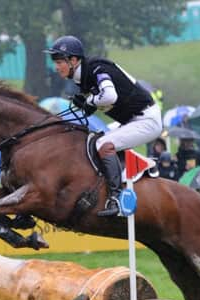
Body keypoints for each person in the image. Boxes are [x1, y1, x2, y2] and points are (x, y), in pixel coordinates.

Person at [45, 35, 162, 216]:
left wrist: (89, 100)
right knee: (92, 141)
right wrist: (85, 104)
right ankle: (140, 168)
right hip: (132, 120)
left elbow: (109, 97)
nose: (56, 67)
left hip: (146, 120)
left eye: (59, 61)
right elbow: (96, 106)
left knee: (103, 145)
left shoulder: (96, 68)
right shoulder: (81, 78)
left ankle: (116, 197)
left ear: (74, 60)